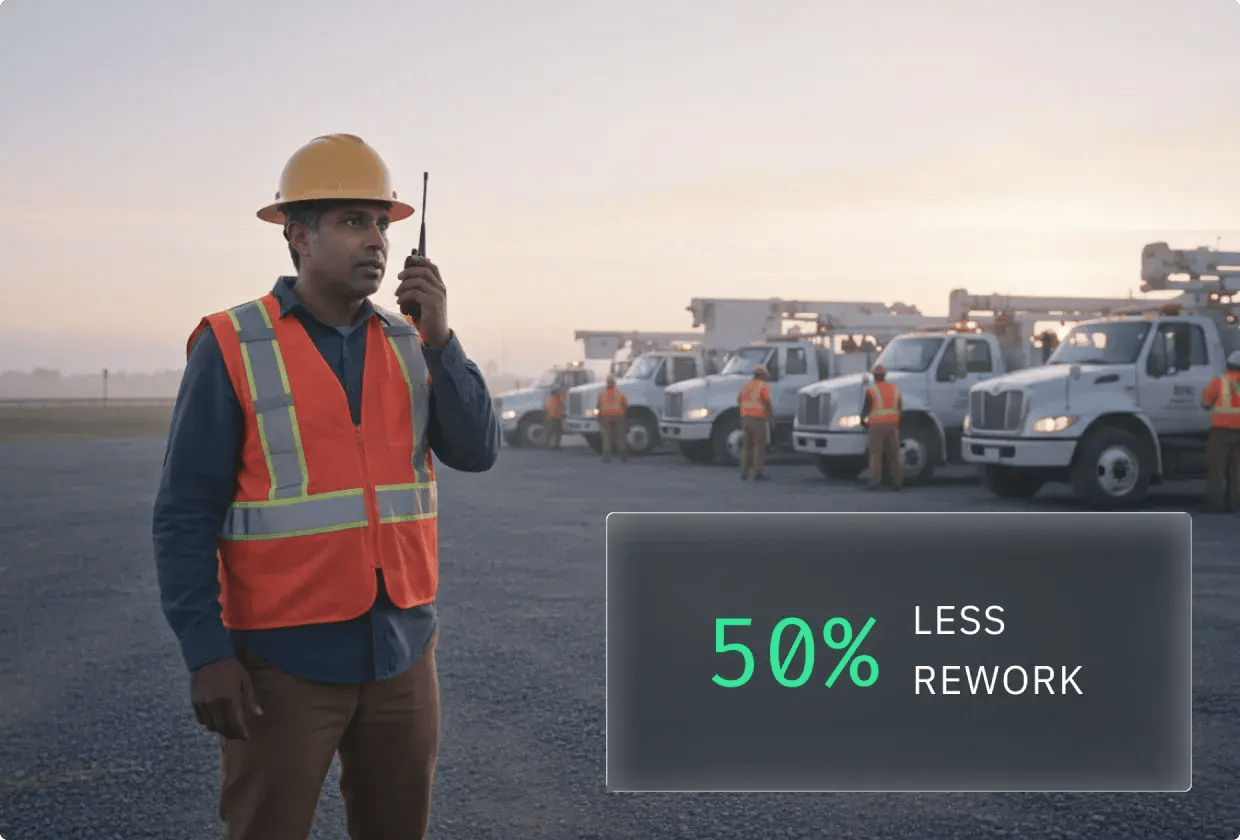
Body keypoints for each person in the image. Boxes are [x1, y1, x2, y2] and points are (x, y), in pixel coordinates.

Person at [151, 133, 500, 840]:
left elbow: (477, 450)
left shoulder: (411, 343)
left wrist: (441, 339)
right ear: (298, 235)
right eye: (351, 221)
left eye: (381, 223)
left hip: (402, 652)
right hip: (281, 662)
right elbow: (185, 513)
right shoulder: (233, 345)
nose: (375, 240)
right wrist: (207, 651)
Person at [1200, 350, 1240, 512]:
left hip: (1220, 431)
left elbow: (1205, 401)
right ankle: (1234, 505)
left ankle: (1216, 505)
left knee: (1216, 469)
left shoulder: (1218, 381)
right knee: (1236, 471)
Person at [861, 363, 903, 491]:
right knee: (894, 455)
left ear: (874, 376)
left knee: (875, 454)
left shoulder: (871, 390)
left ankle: (874, 482)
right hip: (893, 426)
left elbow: (866, 410)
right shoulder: (895, 390)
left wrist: (864, 422)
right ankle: (897, 482)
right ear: (884, 375)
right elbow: (900, 409)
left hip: (876, 426)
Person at [737, 363, 773, 481]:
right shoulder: (762, 386)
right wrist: (771, 418)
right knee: (759, 446)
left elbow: (739, 400)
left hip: (745, 418)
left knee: (747, 445)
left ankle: (744, 471)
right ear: (762, 375)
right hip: (758, 418)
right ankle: (757, 473)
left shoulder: (745, 386)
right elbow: (767, 402)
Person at [596, 374, 628, 462]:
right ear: (614, 383)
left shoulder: (601, 394)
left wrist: (598, 417)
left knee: (606, 437)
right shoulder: (620, 393)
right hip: (618, 416)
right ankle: (623, 454)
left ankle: (606, 456)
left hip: (605, 417)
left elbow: (598, 406)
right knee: (620, 437)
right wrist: (624, 416)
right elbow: (625, 405)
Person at [544, 385, 565, 449]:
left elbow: (547, 408)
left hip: (554, 418)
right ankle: (552, 445)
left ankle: (553, 445)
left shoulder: (551, 399)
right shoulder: (554, 399)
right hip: (554, 418)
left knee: (554, 432)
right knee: (554, 432)